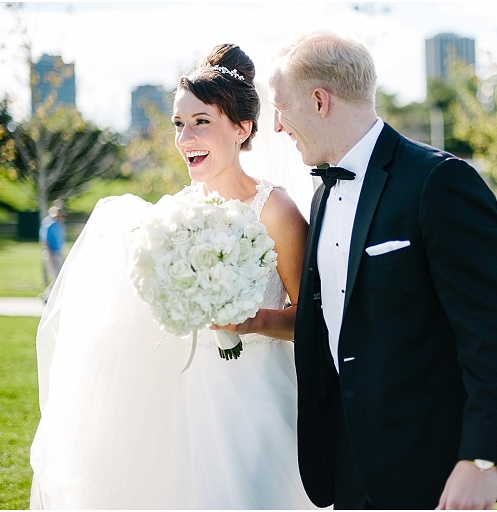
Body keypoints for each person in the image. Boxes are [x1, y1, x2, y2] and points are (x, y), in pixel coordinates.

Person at [29, 44, 317, 509]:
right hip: (172, 401)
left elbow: (311, 319)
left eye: (202, 122)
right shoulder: (171, 216)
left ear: (242, 128)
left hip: (252, 402)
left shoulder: (277, 211)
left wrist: (252, 321)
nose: (185, 139)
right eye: (179, 125)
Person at [268, 31, 497, 510]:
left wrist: (482, 460)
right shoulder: (322, 194)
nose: (278, 126)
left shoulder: (439, 182)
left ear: (320, 101)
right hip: (346, 461)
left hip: (427, 462)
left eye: (281, 108)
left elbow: (494, 332)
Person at [39, 206, 66, 303]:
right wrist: (51, 257)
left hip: (58, 253)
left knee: (59, 277)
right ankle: (47, 297)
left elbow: (60, 242)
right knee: (56, 277)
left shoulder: (60, 225)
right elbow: (45, 242)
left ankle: (48, 296)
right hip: (51, 253)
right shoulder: (49, 224)